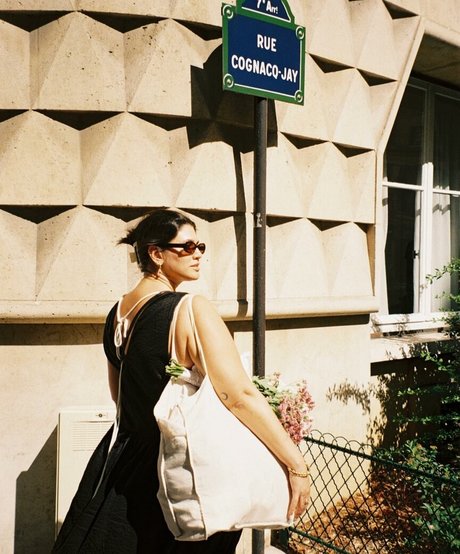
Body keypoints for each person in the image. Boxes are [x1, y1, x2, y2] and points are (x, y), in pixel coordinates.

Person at [53, 208, 310, 553]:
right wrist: (296, 465)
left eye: (200, 246)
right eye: (187, 247)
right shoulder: (190, 308)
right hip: (178, 468)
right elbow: (239, 396)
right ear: (156, 254)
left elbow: (120, 398)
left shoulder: (117, 313)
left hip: (123, 462)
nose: (198, 254)